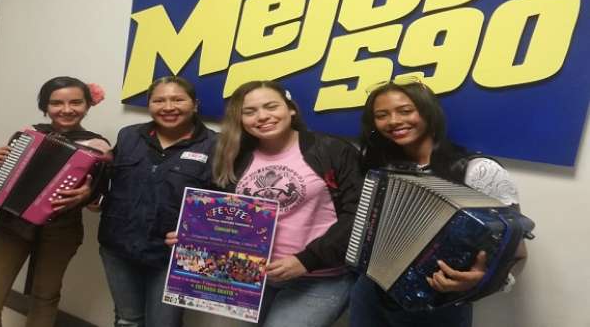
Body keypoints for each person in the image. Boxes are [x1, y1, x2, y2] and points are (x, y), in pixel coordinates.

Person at [349, 77, 526, 327]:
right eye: (382, 115)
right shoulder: (380, 167)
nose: (394, 121)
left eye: (405, 111)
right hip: (369, 292)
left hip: (438, 305)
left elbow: (517, 252)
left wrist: (482, 280)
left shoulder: (478, 170)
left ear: (428, 113)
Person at [210, 80, 362, 327]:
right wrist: (190, 235)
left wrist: (306, 260)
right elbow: (224, 213)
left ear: (290, 109)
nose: (262, 117)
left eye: (271, 106)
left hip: (319, 277)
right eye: (250, 112)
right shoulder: (235, 156)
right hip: (247, 274)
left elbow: (358, 214)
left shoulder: (331, 149)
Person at [0, 76, 111, 327]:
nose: (66, 110)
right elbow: (2, 182)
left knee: (45, 295)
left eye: (76, 102)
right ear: (45, 107)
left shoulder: (98, 146)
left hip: (61, 229)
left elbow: (98, 199)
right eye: (56, 103)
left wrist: (87, 195)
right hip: (13, 226)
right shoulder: (29, 134)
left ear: (88, 106)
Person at [98, 76, 217, 327]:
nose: (168, 107)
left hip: (175, 255)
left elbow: (226, 204)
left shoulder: (217, 145)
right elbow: (109, 178)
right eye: (159, 100)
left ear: (195, 104)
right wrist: (93, 195)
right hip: (118, 246)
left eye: (178, 99)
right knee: (127, 320)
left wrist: (199, 232)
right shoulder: (129, 135)